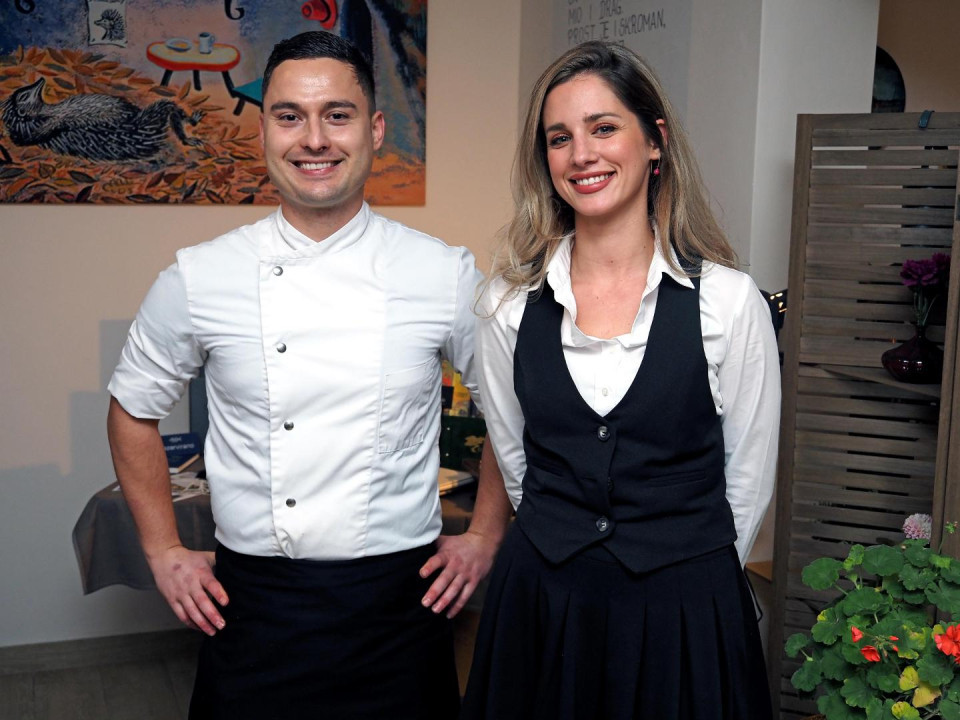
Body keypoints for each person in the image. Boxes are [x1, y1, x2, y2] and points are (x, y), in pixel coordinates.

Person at [106, 30, 511, 720]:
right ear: (264, 131)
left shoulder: (442, 274)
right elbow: (131, 409)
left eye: (337, 115)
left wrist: (484, 534)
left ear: (374, 130)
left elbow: (511, 406)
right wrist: (164, 548)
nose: (314, 139)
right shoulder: (199, 277)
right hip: (254, 607)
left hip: (399, 608)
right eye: (290, 116)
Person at [461, 41, 780, 720]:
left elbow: (748, 481)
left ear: (654, 141)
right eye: (560, 138)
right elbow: (518, 463)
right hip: (544, 604)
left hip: (685, 612)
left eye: (603, 128)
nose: (582, 154)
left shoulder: (728, 302)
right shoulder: (506, 304)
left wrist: (688, 579)